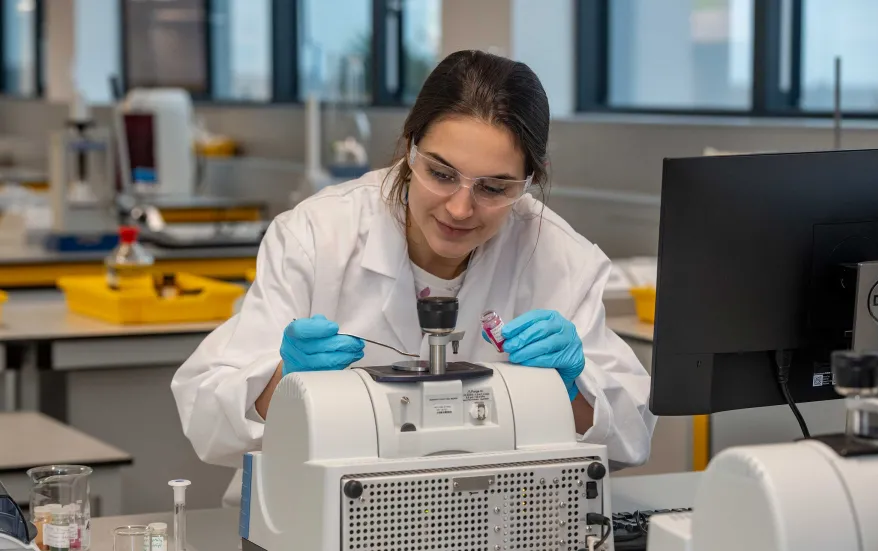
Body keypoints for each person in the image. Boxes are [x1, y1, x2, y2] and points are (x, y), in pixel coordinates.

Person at [172, 50, 657, 504]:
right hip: (311, 519)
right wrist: (282, 380)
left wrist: (573, 391)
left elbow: (632, 438)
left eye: (494, 187)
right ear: (409, 148)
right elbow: (205, 416)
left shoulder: (559, 259)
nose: (461, 208)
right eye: (441, 174)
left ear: (532, 178)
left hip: (492, 520)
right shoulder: (318, 237)